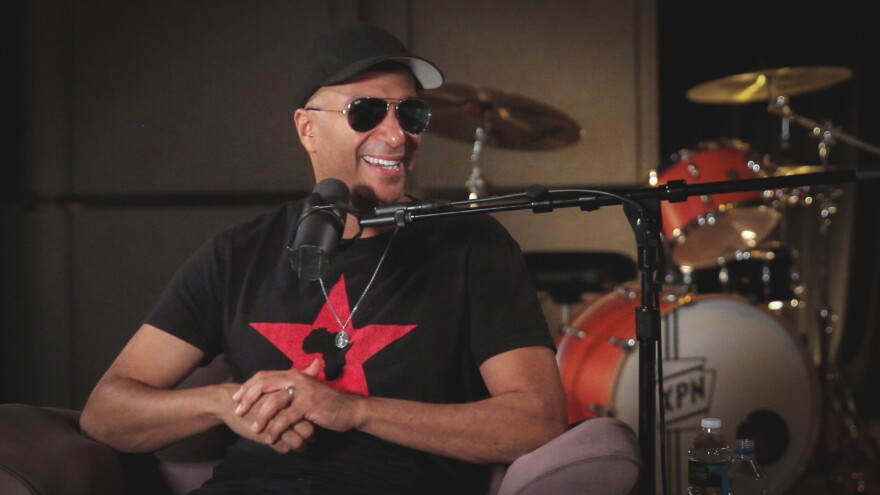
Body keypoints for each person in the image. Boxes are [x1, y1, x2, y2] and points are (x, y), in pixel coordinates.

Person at [80, 22, 567, 495]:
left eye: (411, 114)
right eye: (367, 111)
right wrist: (225, 403)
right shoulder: (237, 254)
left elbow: (536, 420)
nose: (397, 136)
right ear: (308, 129)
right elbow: (106, 414)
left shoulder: (473, 247)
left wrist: (355, 410)